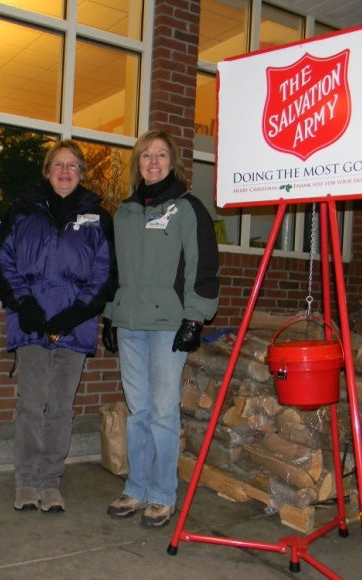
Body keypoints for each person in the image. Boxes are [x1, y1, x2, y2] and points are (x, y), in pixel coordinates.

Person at [0, 139, 116, 513]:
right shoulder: (22, 212)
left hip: (74, 327)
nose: (64, 171)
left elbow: (105, 275)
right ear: (47, 170)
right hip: (31, 326)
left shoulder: (97, 218)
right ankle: (26, 480)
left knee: (60, 408)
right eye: (57, 164)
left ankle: (50, 481)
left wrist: (74, 314)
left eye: (72, 165)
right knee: (31, 405)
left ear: (82, 174)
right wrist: (24, 304)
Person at [102, 129, 220, 528]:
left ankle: (163, 494)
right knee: (138, 411)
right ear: (138, 164)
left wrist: (195, 317)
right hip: (131, 323)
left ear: (173, 162)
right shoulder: (125, 212)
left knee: (163, 413)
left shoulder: (187, 208)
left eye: (161, 155)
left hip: (169, 325)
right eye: (146, 155)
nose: (153, 161)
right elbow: (115, 270)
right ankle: (136, 488)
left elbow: (203, 267)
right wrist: (110, 314)